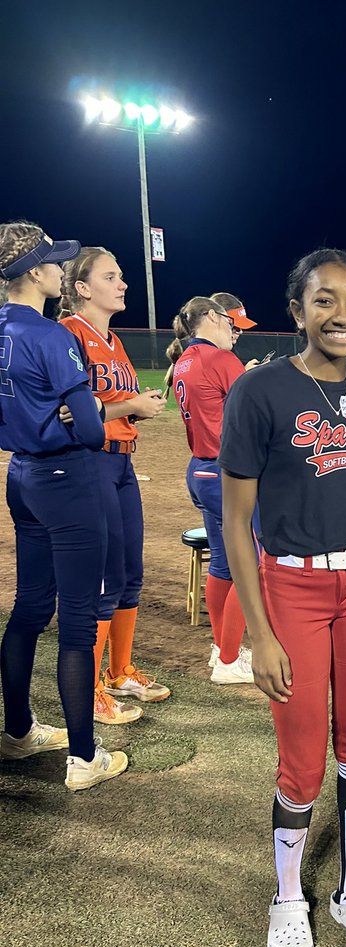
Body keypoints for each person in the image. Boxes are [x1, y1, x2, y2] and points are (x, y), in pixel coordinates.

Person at [219, 248, 346, 947]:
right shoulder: (260, 392)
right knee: (302, 760)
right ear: (298, 311)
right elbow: (236, 521)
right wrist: (259, 632)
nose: (343, 316)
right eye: (326, 300)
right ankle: (288, 894)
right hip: (291, 586)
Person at [0, 221, 127, 790]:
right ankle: (83, 757)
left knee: (29, 607)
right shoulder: (52, 336)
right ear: (33, 271)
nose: (60, 268)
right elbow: (96, 428)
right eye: (52, 261)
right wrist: (75, 417)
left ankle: (19, 731)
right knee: (77, 620)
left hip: (21, 475)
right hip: (65, 479)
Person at [59, 246, 170, 724]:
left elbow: (112, 398)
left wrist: (135, 403)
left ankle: (121, 669)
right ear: (83, 288)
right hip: (90, 462)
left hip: (121, 463)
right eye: (112, 276)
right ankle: (93, 689)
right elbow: (70, 411)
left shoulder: (113, 339)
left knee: (129, 571)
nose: (123, 283)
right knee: (102, 577)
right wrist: (132, 407)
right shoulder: (69, 334)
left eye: (123, 275)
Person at [170, 296, 256, 682]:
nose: (234, 330)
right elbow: (255, 413)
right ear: (210, 317)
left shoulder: (185, 359)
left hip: (201, 470)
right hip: (227, 473)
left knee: (223, 565)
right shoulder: (220, 359)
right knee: (248, 568)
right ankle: (228, 658)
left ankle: (221, 649)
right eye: (230, 323)